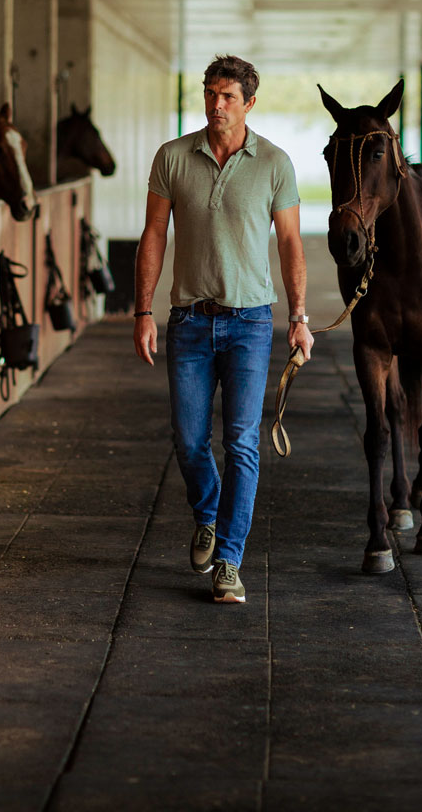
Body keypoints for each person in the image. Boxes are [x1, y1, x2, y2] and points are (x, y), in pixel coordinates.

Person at [133, 55, 314, 604]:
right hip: (188, 321)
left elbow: (289, 244)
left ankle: (229, 561)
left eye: (228, 96)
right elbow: (154, 235)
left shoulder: (276, 164)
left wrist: (300, 317)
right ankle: (206, 514)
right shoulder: (172, 157)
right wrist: (143, 310)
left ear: (249, 103)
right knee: (189, 443)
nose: (217, 105)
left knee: (240, 442)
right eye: (211, 94)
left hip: (251, 323)